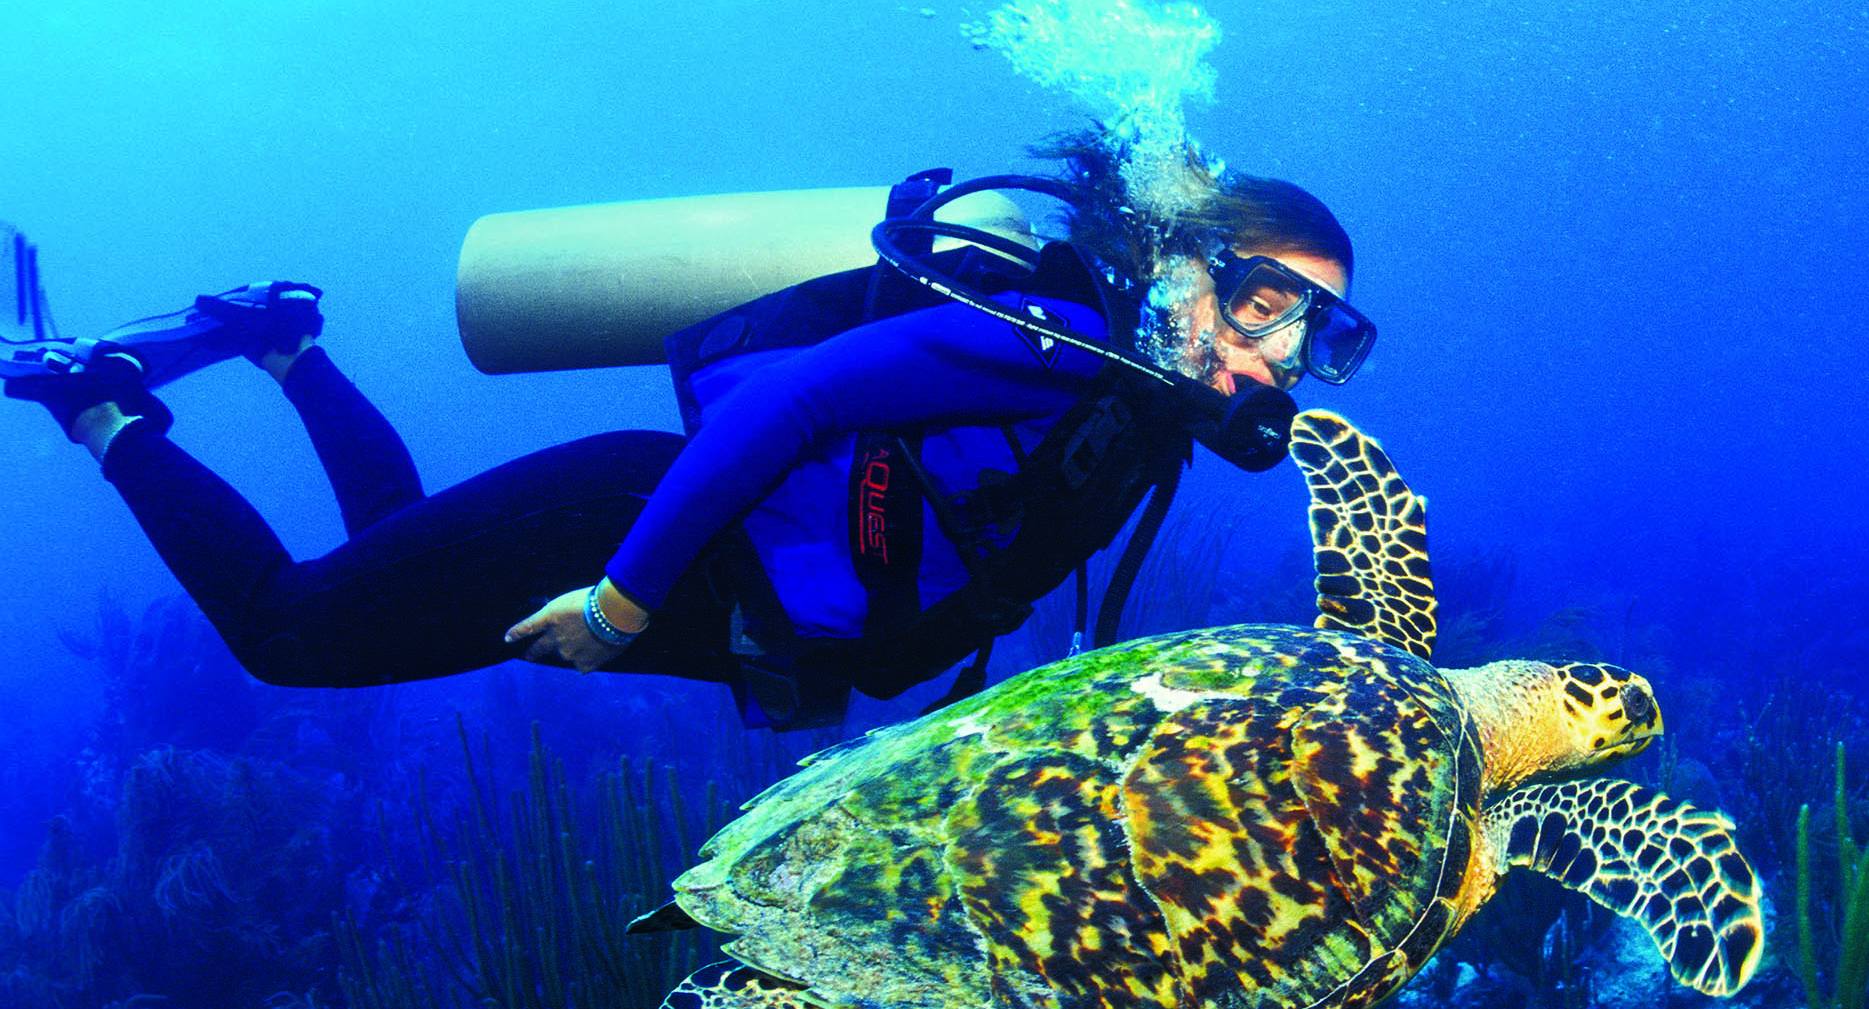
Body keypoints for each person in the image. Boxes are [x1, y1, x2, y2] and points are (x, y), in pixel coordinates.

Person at [4, 142, 1369, 729]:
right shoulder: (1045, 341)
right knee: (288, 636)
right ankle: (102, 407)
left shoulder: (1135, 411)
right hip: (650, 535)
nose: (1283, 355)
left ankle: (289, 341)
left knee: (388, 556)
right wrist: (619, 599)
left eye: (1322, 335)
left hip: (728, 611)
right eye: (1267, 303)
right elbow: (795, 400)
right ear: (1178, 264)